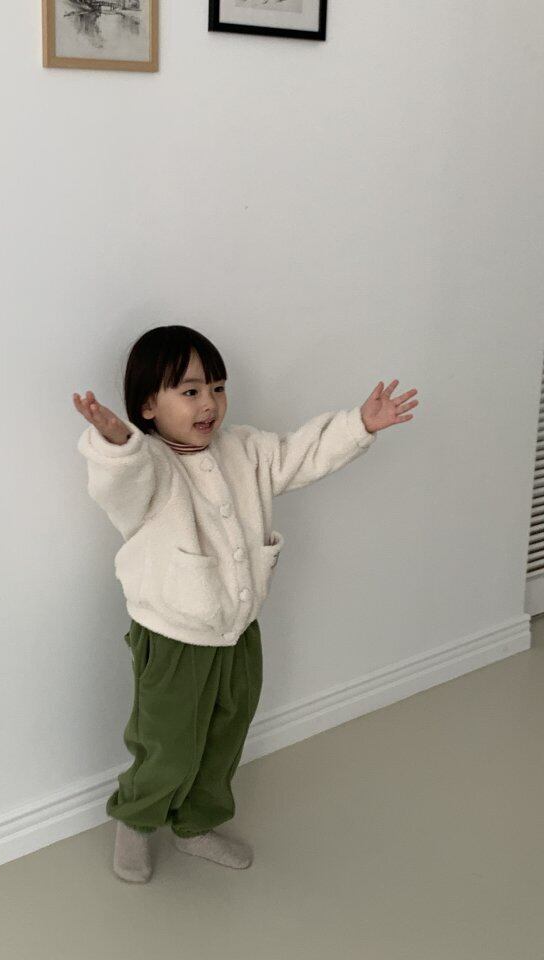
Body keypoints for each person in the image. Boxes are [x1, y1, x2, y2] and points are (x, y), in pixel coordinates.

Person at [73, 325, 418, 883]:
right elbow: (121, 483)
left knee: (226, 734)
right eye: (189, 391)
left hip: (238, 628)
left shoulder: (245, 449)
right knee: (167, 745)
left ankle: (196, 824)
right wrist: (117, 443)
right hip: (175, 636)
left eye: (217, 387)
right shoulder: (151, 466)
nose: (208, 403)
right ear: (148, 406)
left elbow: (299, 455)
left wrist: (358, 425)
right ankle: (137, 821)